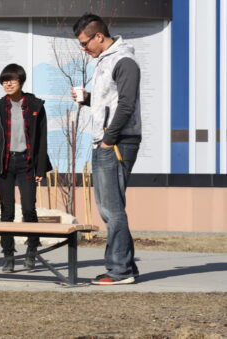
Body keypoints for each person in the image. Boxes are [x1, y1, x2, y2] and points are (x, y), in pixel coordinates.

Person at [72, 14, 142, 285]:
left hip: (117, 142)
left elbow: (126, 105)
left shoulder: (124, 61)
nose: (83, 48)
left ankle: (120, 270)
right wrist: (88, 100)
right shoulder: (105, 61)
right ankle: (125, 266)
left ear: (98, 36)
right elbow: (111, 103)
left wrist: (108, 139)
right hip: (108, 139)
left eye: (85, 42)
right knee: (111, 208)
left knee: (111, 209)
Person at [0, 64, 51, 273]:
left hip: (27, 164)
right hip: (4, 164)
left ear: (21, 81)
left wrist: (40, 170)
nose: (8, 84)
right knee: (7, 211)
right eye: (4, 80)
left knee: (29, 209)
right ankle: (8, 256)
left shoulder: (35, 105)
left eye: (12, 80)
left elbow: (41, 140)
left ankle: (32, 251)